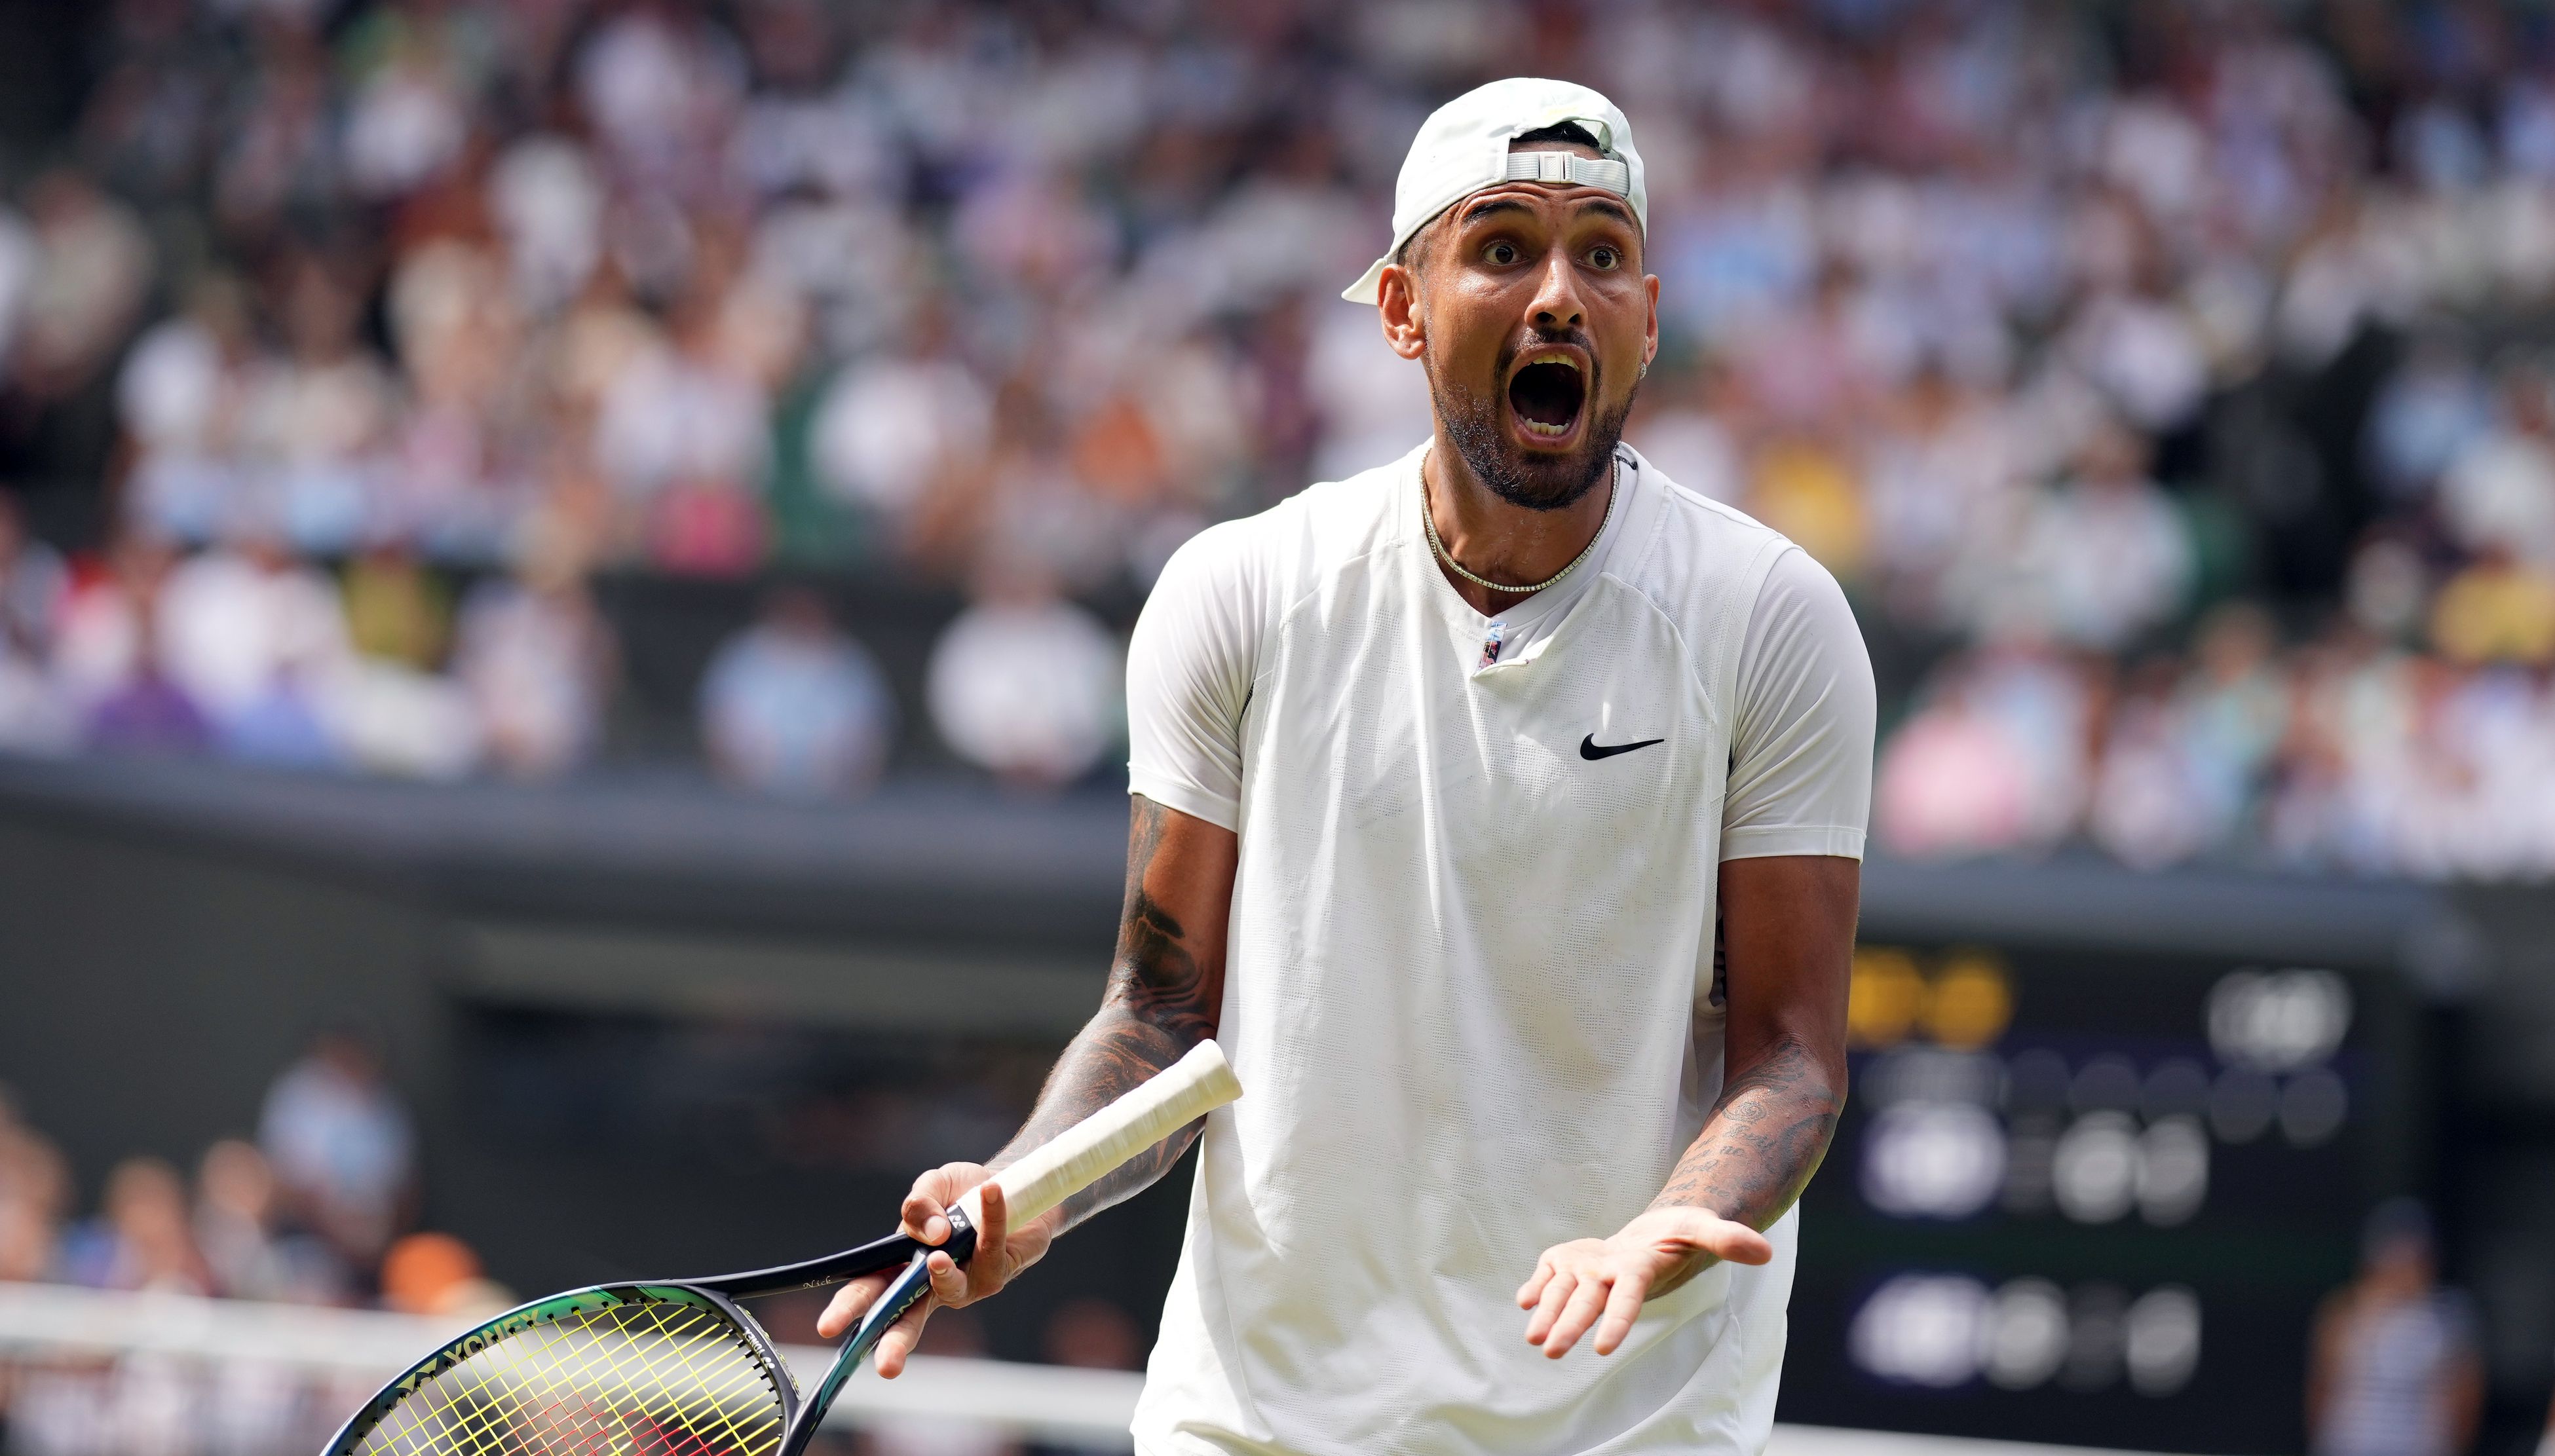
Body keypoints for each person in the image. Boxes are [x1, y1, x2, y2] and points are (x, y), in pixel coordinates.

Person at [818, 79, 1873, 1456]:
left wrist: (1682, 1222)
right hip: (1263, 1420)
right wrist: (1026, 1189)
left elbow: (1792, 1055)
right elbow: (1159, 1012)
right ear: (1400, 308)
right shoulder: (1242, 593)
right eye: (1502, 247)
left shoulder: (1771, 617)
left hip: (1623, 1422)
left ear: (1650, 319)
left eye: (1601, 254)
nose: (1560, 293)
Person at [2306, 1199, 2484, 1456]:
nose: (2404, 1266)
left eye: (2414, 1256)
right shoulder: (2344, 1311)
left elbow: (2467, 1400)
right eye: (2394, 1254)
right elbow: (2320, 1390)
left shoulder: (2450, 1316)